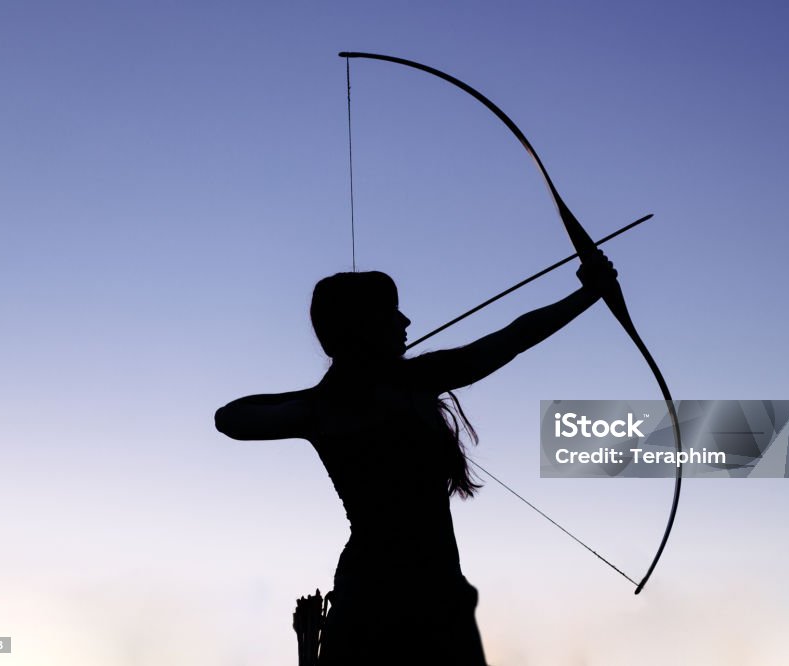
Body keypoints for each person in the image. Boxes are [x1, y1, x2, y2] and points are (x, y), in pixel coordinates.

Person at [215, 249, 620, 665]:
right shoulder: (356, 397)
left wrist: (588, 295)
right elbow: (229, 418)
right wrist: (590, 293)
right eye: (392, 313)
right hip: (388, 601)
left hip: (417, 592)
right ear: (364, 326)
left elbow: (515, 338)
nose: (406, 322)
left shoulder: (344, 399)